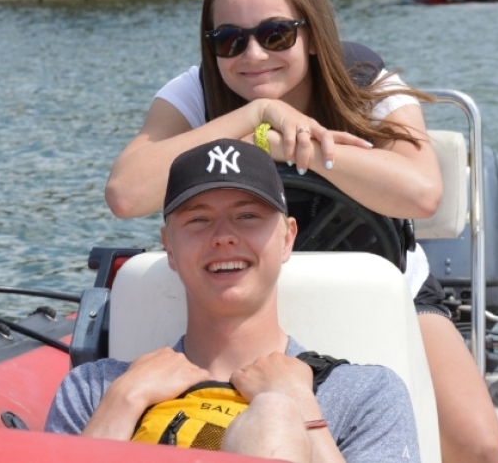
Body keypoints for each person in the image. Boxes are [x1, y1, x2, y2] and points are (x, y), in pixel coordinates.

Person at [105, 0, 498, 463]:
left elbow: (422, 192)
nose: (253, 56)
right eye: (230, 40)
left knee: (478, 446)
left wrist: (303, 146)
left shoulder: (367, 84)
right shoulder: (195, 93)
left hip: (390, 284)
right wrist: (255, 118)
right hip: (232, 281)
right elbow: (125, 193)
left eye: (275, 35)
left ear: (312, 35)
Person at [47, 139, 421, 462]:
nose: (223, 236)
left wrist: (300, 406)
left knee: (273, 417)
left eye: (247, 216)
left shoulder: (365, 393)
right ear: (169, 248)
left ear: (287, 238)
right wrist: (123, 402)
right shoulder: (96, 388)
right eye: (198, 220)